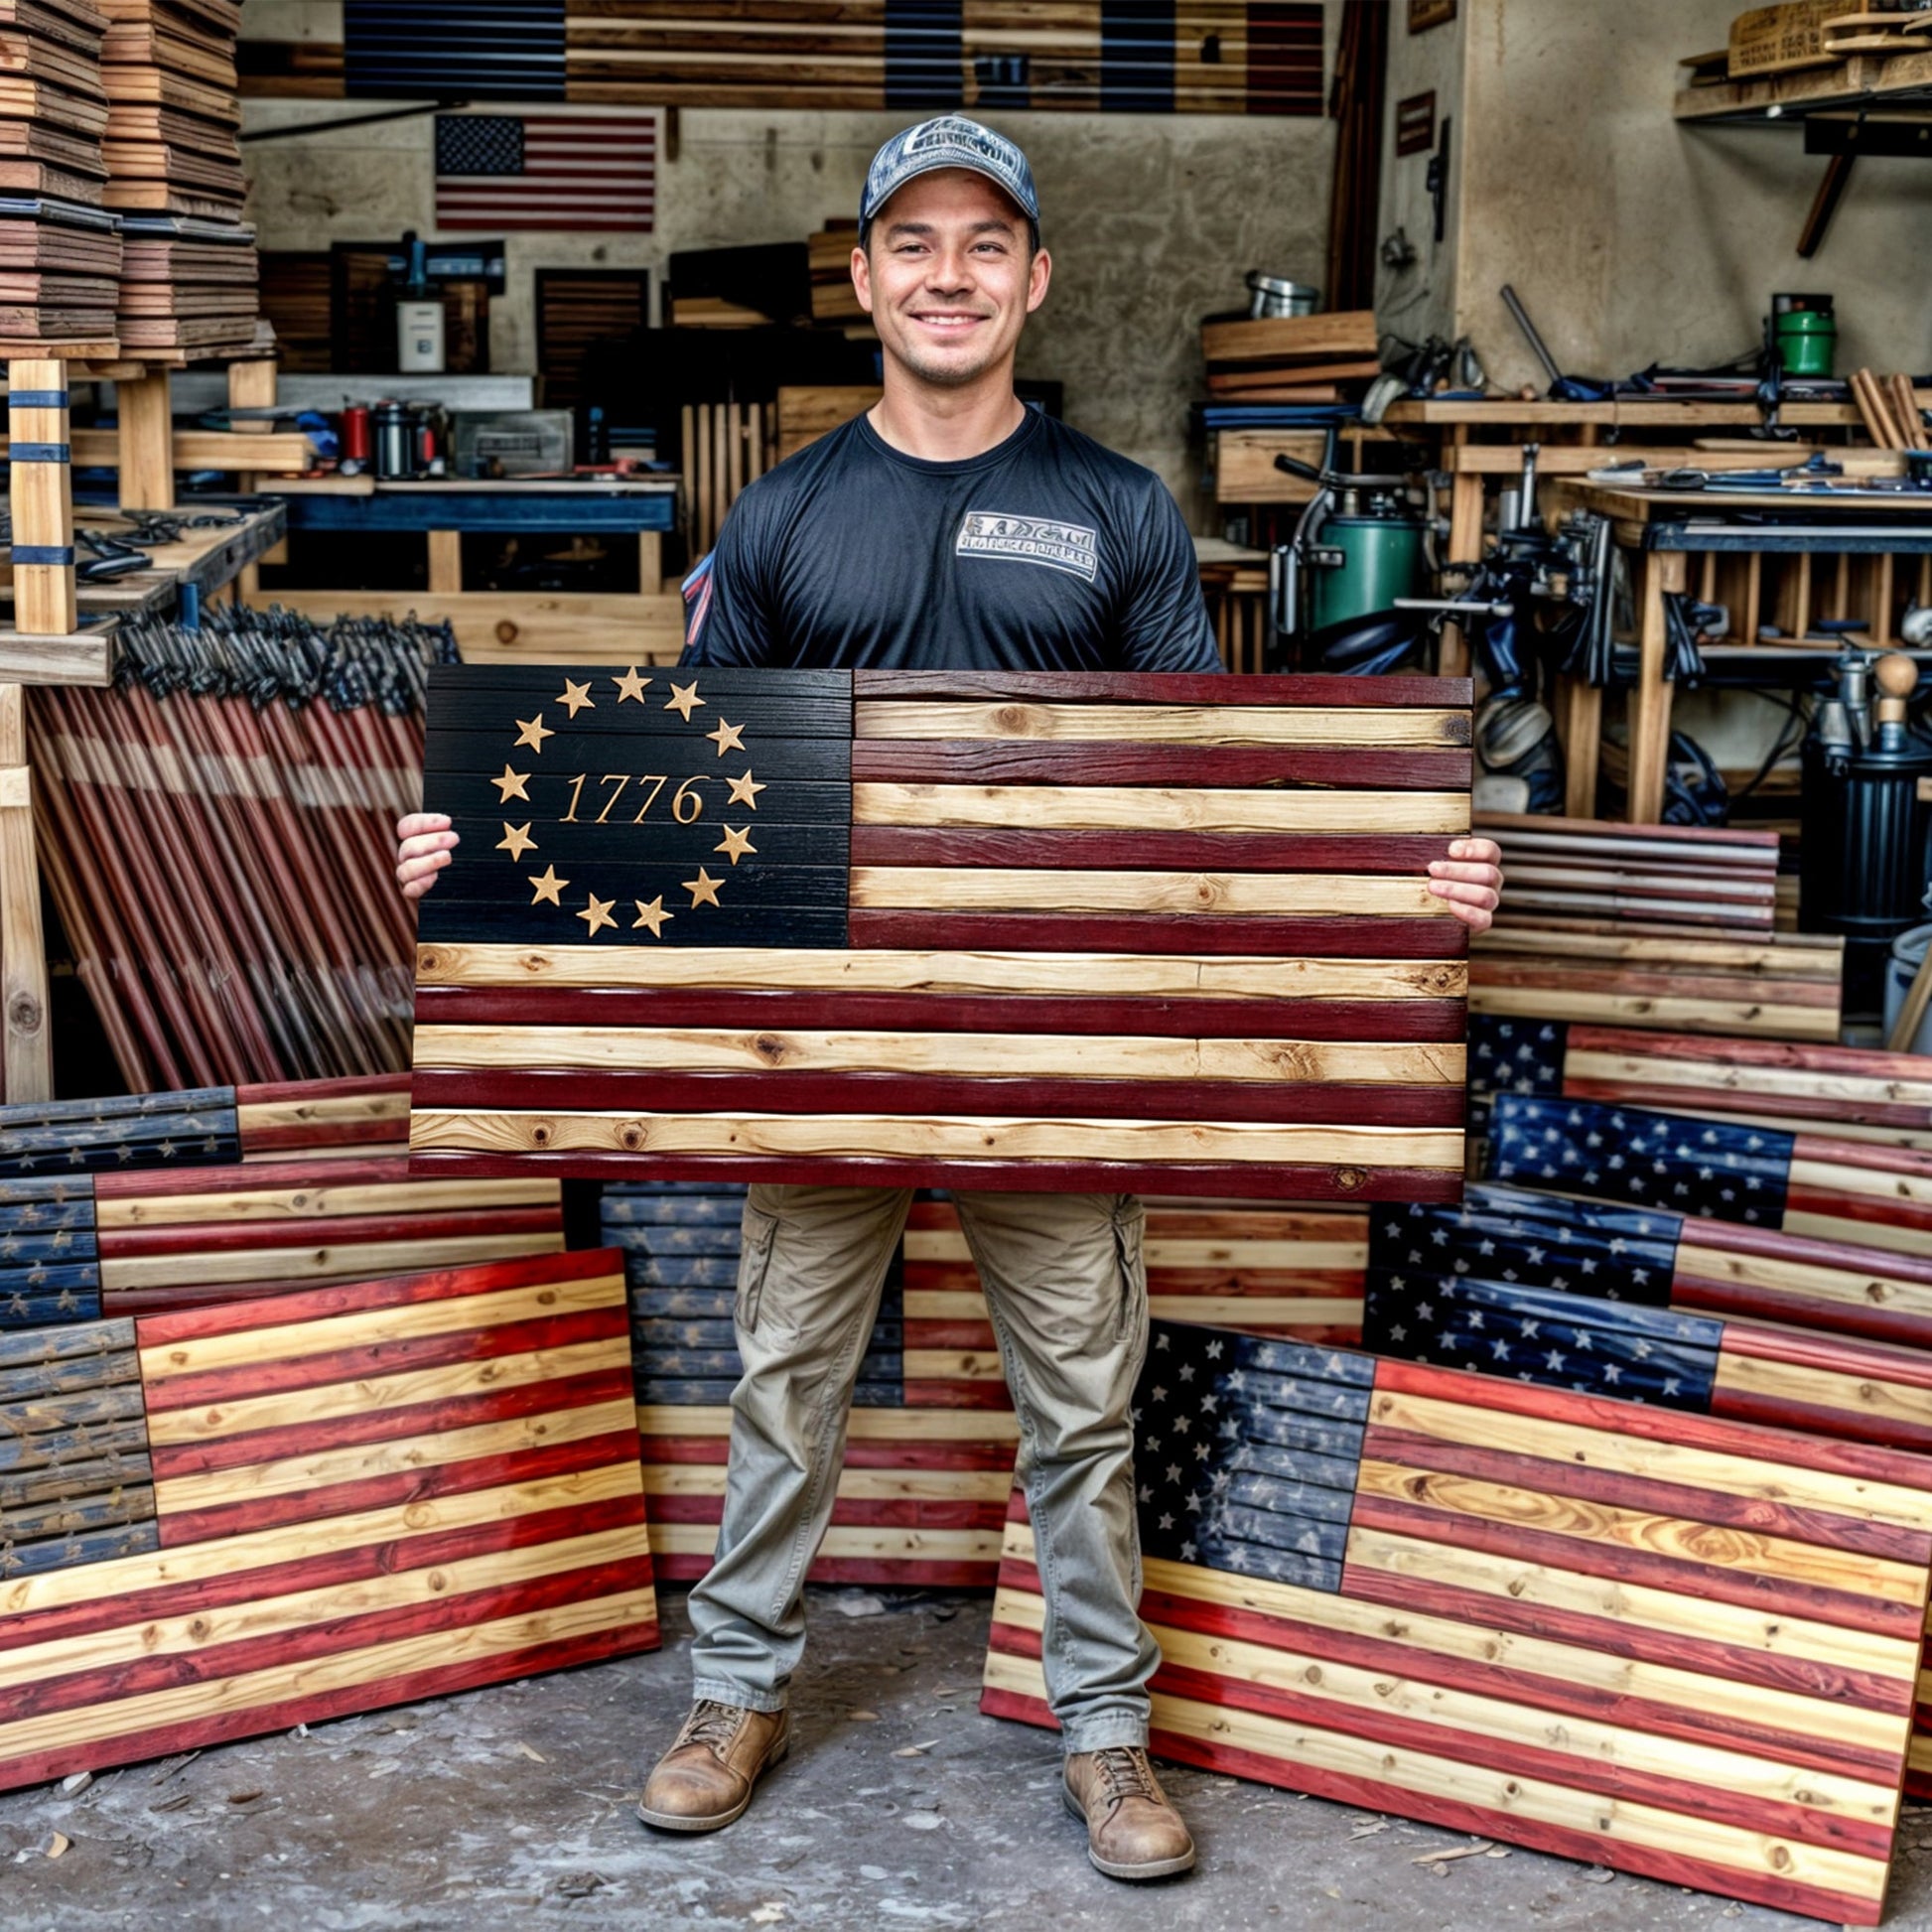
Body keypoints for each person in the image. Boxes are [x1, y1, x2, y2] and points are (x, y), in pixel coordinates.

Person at [396, 114, 1504, 1882]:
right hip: (817, 1053)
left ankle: (1106, 1731)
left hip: (1053, 1054)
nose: (948, 274)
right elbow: (691, 797)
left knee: (1076, 1403)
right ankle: (737, 1689)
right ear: (863, 279)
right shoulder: (780, 515)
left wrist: (1409, 888)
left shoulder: (1115, 510)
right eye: (913, 243)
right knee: (786, 1382)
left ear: (1033, 279)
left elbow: (1210, 795)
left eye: (985, 243)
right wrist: (488, 870)